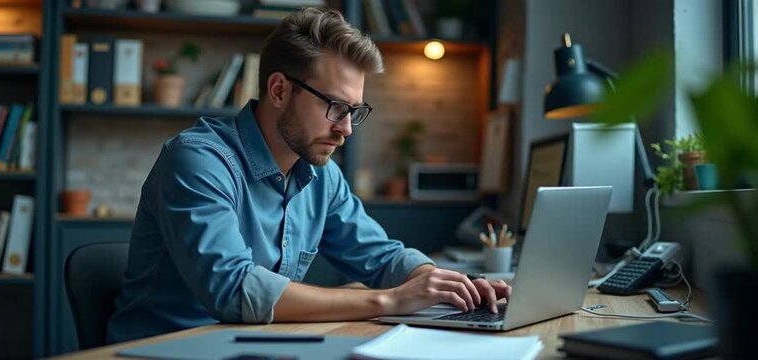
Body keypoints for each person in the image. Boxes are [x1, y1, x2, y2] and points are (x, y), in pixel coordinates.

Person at [106, 7, 510, 344]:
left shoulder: (322, 176)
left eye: (354, 111)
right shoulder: (198, 161)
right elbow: (235, 290)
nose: (347, 128)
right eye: (335, 106)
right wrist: (390, 301)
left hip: (257, 346)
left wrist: (444, 283)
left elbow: (380, 256)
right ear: (279, 90)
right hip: (164, 350)